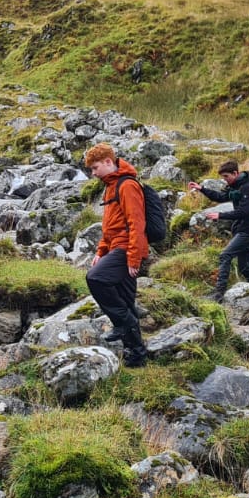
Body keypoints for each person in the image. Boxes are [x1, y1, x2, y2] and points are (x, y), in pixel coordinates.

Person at [84, 143, 148, 368]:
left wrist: (133, 257)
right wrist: (101, 251)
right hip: (115, 248)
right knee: (127, 301)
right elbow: (110, 226)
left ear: (108, 162)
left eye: (95, 168)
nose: (93, 173)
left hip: (126, 248)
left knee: (96, 278)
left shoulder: (127, 185)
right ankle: (137, 354)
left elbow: (136, 222)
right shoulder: (110, 185)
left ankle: (124, 322)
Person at [187, 160, 249, 303]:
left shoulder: (248, 188)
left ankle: (219, 294)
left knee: (225, 255)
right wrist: (201, 188)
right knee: (245, 267)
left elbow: (244, 211)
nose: (224, 180)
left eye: (226, 176)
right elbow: (221, 197)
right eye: (223, 177)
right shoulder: (235, 187)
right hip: (243, 228)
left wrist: (220, 215)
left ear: (235, 173)